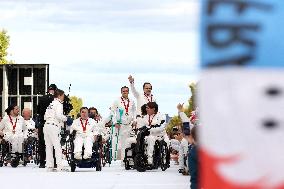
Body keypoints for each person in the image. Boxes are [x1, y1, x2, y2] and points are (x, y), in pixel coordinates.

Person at [110, 86, 136, 162]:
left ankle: (129, 160)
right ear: (121, 92)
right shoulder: (117, 101)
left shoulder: (132, 101)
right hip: (121, 125)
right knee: (122, 144)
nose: (125, 92)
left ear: (128, 92)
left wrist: (134, 120)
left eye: (126, 91)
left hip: (130, 125)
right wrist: (115, 122)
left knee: (130, 143)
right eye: (123, 91)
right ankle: (123, 160)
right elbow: (112, 112)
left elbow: (134, 111)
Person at [43, 89, 67, 171]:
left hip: (46, 125)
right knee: (57, 146)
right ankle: (60, 166)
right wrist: (66, 118)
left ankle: (50, 166)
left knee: (48, 146)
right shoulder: (59, 104)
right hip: (53, 126)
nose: (63, 98)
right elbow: (59, 115)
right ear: (59, 95)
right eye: (63, 96)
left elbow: (45, 116)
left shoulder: (51, 104)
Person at [37, 84, 57, 168]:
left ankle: (42, 162)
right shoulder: (56, 100)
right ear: (55, 90)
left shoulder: (42, 98)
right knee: (53, 142)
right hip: (53, 123)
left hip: (42, 123)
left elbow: (38, 110)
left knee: (42, 143)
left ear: (48, 90)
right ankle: (54, 162)